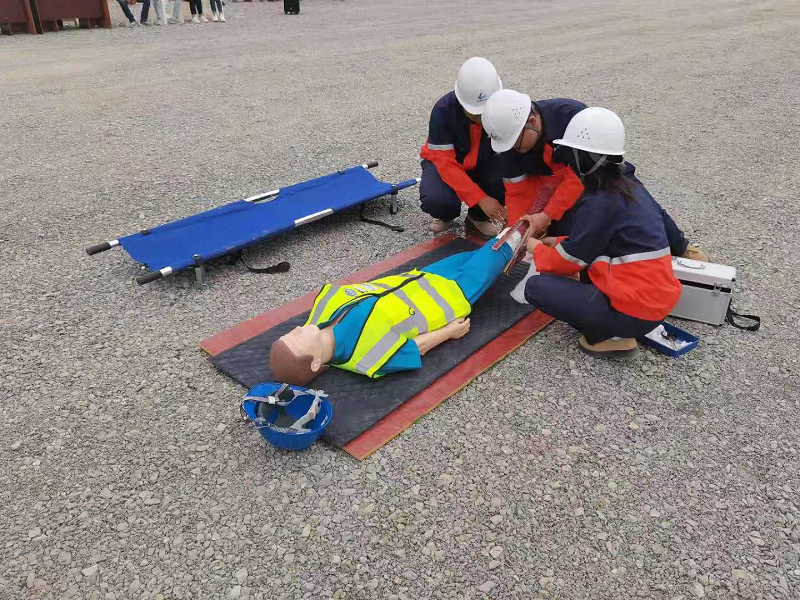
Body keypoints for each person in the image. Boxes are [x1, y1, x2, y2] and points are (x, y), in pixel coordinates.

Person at [516, 107, 683, 357]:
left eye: (571, 156)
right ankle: (619, 325)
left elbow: (566, 263)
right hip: (653, 303)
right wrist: (558, 241)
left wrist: (537, 248)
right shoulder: (627, 189)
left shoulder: (599, 202)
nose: (569, 164)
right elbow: (602, 241)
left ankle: (612, 336)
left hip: (634, 310)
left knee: (536, 288)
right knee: (575, 274)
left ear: (585, 158)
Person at [268, 230, 528, 386]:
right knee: (497, 253)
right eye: (296, 339)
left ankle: (516, 242)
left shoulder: (321, 313)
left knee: (471, 256)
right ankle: (526, 232)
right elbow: (415, 348)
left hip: (421, 278)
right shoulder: (365, 357)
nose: (296, 330)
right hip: (450, 297)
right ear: (315, 363)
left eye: (289, 333)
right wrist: (449, 332)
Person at [482, 90, 709, 262]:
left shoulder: (571, 117)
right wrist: (517, 232)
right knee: (567, 240)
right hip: (553, 185)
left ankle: (680, 246)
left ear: (532, 123)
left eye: (515, 143)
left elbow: (575, 180)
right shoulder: (509, 142)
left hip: (594, 174)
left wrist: (546, 216)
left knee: (634, 195)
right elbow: (517, 192)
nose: (512, 149)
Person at [418, 57, 506, 238]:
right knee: (437, 200)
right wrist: (481, 198)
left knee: (505, 178)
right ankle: (446, 214)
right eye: (476, 113)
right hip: (445, 165)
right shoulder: (443, 110)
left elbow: (512, 155)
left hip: (481, 163)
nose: (481, 118)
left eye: (485, 112)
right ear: (461, 101)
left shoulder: (505, 107)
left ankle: (478, 216)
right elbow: (445, 164)